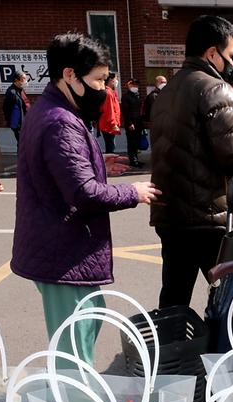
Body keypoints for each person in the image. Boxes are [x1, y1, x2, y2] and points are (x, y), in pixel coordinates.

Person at [11, 33, 160, 367]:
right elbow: (84, 193)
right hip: (61, 251)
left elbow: (60, 168)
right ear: (68, 75)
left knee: (90, 317)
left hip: (62, 248)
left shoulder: (53, 109)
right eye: (97, 80)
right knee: (73, 348)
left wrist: (97, 162)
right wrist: (133, 193)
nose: (104, 89)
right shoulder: (60, 121)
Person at [150, 15, 233, 308]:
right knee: (230, 300)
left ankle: (170, 350)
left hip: (169, 213)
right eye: (230, 55)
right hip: (205, 214)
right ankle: (226, 353)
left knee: (174, 295)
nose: (232, 62)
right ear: (212, 52)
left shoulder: (167, 90)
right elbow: (232, 156)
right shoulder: (216, 88)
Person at [120, 78, 144, 168]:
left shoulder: (137, 95)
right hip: (131, 123)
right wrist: (130, 123)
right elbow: (125, 112)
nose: (135, 87)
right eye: (133, 85)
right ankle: (133, 160)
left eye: (137, 85)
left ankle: (136, 159)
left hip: (138, 122)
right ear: (129, 85)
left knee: (136, 141)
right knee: (131, 142)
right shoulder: (126, 97)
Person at [3, 72, 31, 145]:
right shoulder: (11, 92)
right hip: (18, 124)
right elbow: (7, 109)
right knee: (22, 144)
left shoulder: (21, 90)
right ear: (16, 80)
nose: (25, 81)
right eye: (23, 79)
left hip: (26, 122)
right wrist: (14, 124)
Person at [98, 72, 121, 153]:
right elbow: (109, 110)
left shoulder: (110, 91)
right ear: (111, 80)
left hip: (108, 124)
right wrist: (113, 124)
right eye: (116, 79)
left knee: (110, 145)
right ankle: (109, 164)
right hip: (108, 125)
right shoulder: (108, 93)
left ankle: (110, 163)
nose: (117, 81)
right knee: (110, 147)